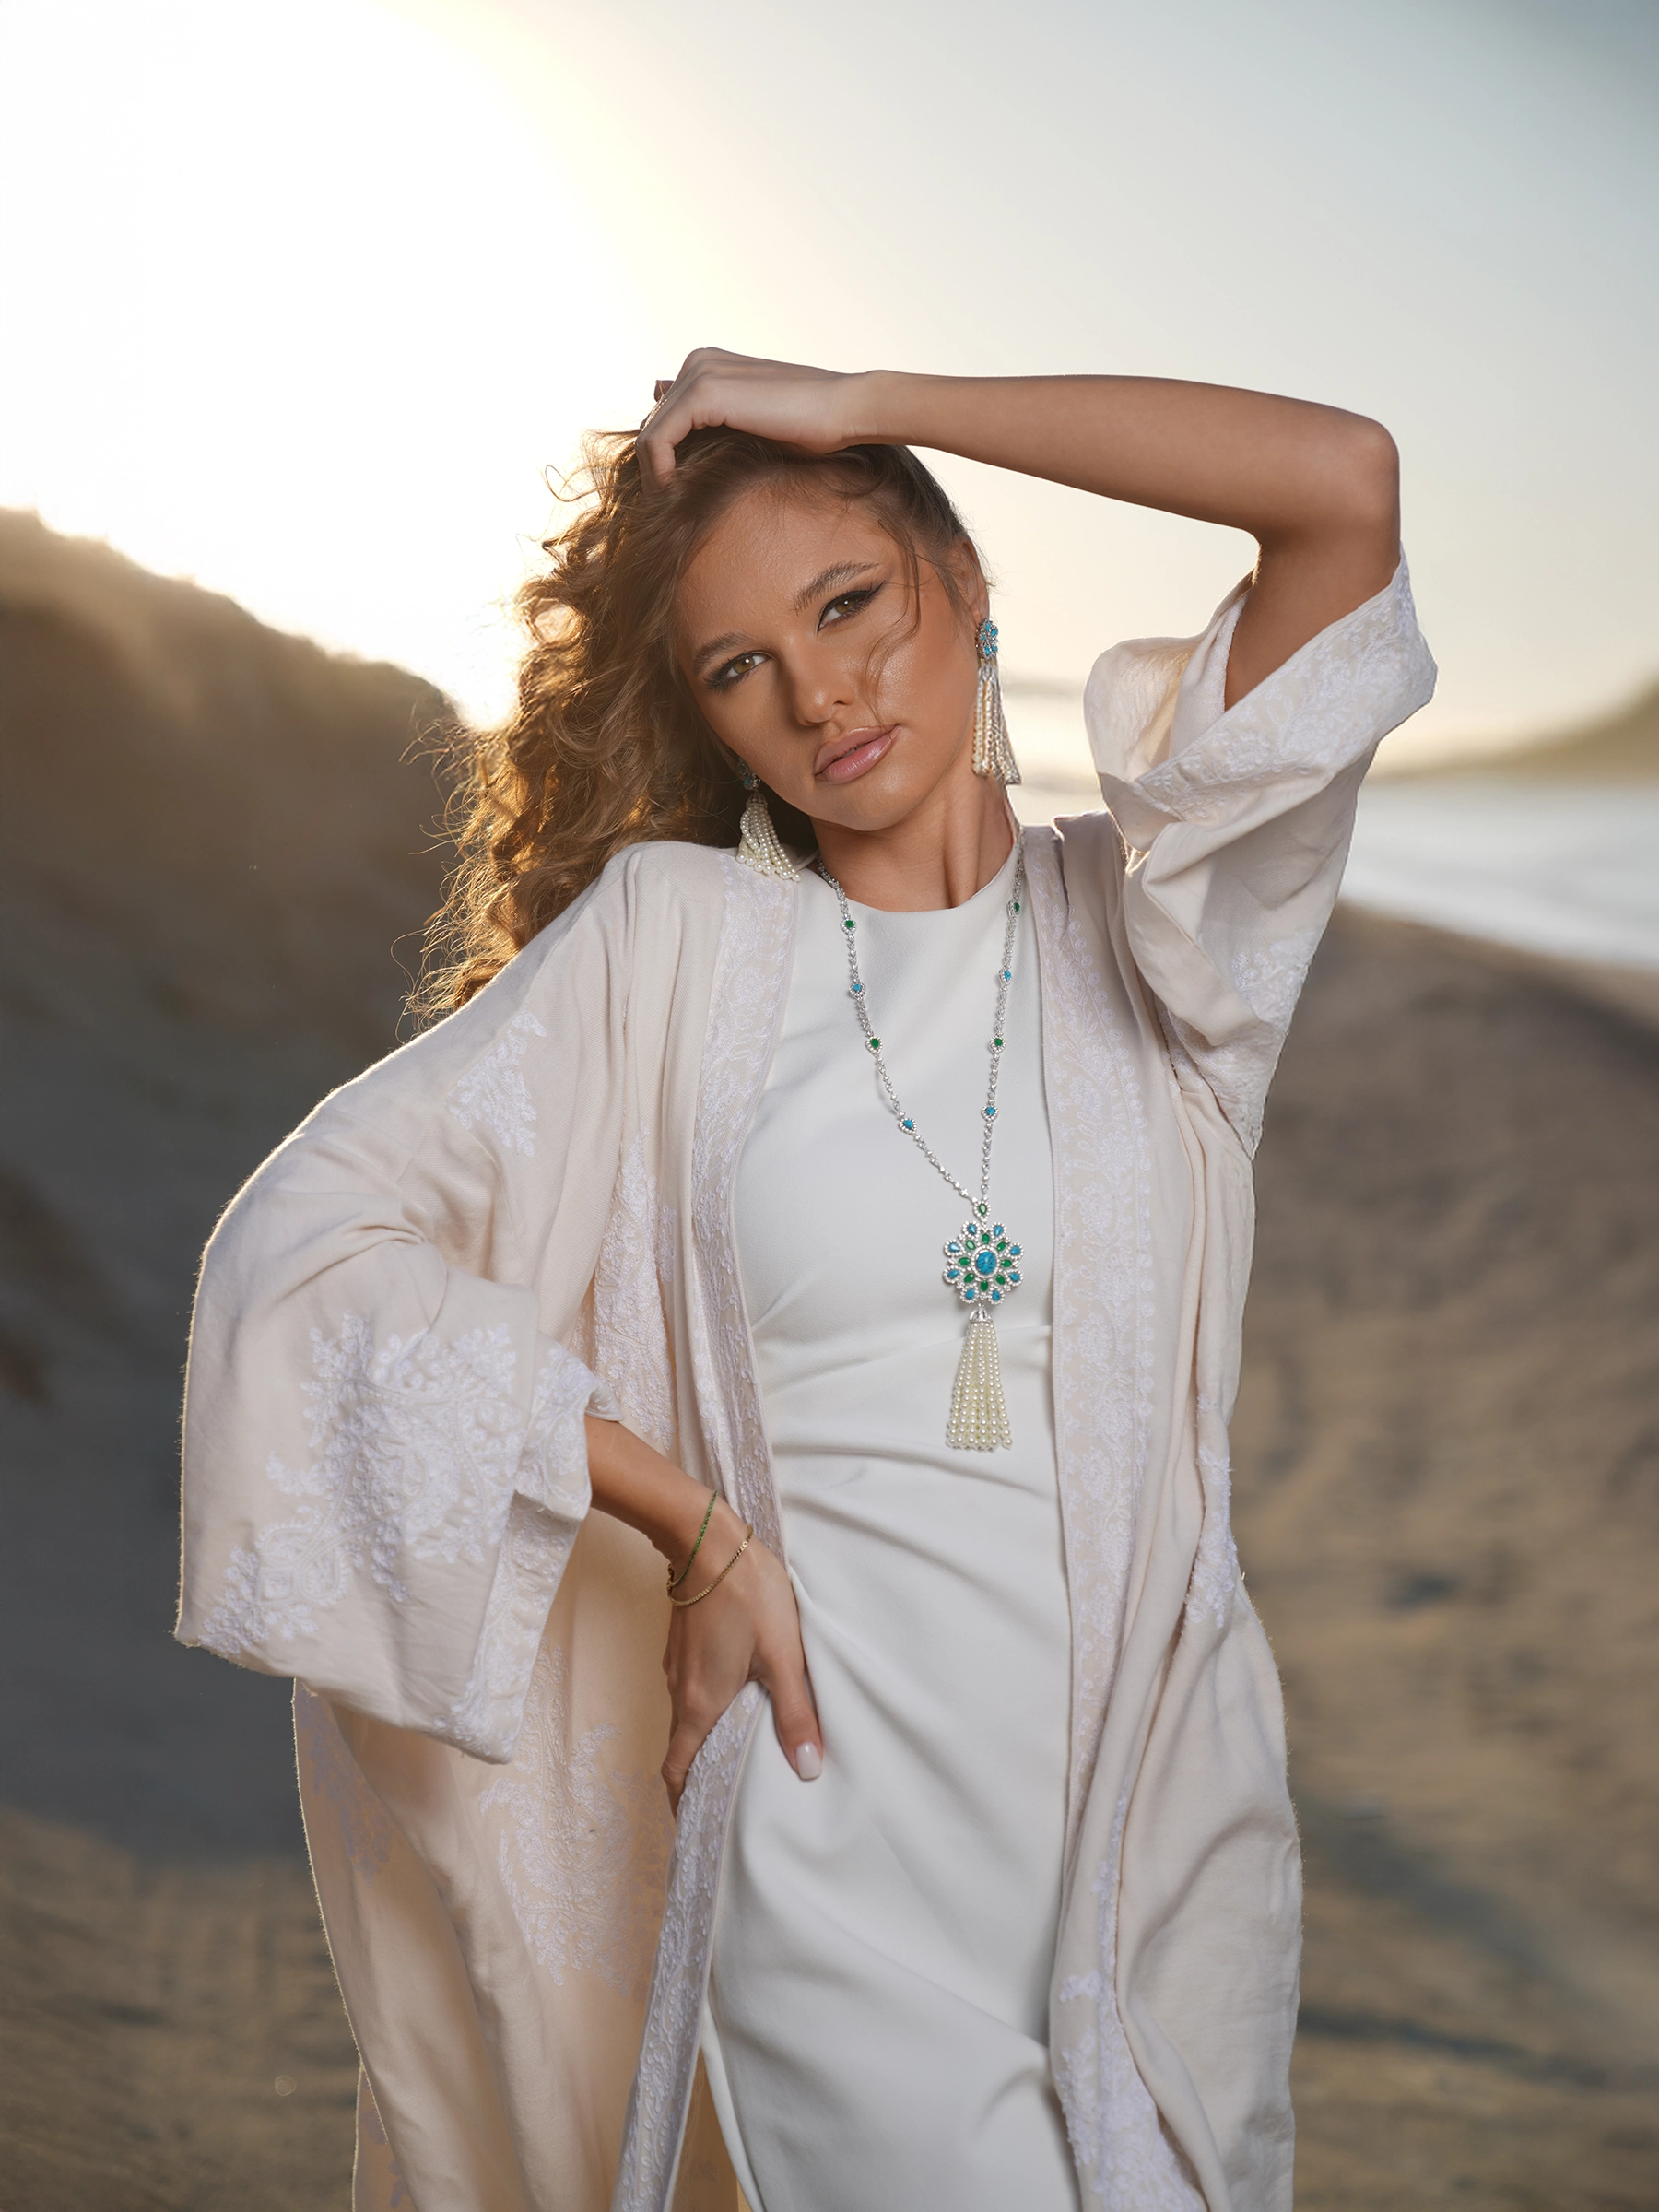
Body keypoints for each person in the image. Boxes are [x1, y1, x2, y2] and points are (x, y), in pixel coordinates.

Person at [175, 353, 1434, 2212]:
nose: (823, 693)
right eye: (739, 666)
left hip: (1140, 1873)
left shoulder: (1177, 941)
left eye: (851, 604)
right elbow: (303, 1259)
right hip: (821, 1823)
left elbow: (1343, 483)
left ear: (967, 582)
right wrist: (692, 1530)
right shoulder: (677, 951)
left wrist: (864, 396)